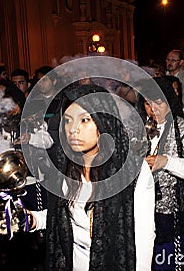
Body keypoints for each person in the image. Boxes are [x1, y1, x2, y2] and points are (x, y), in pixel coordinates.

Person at [24, 84, 155, 270]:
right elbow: (63, 217)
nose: (73, 129)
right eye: (67, 121)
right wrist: (32, 219)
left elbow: (143, 237)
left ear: (103, 122)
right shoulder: (65, 167)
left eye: (84, 120)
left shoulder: (133, 170)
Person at [137, 77, 184, 270]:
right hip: (146, 210)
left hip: (173, 211)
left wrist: (166, 162)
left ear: (168, 102)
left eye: (158, 103)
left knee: (172, 262)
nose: (153, 109)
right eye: (147, 103)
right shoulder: (142, 127)